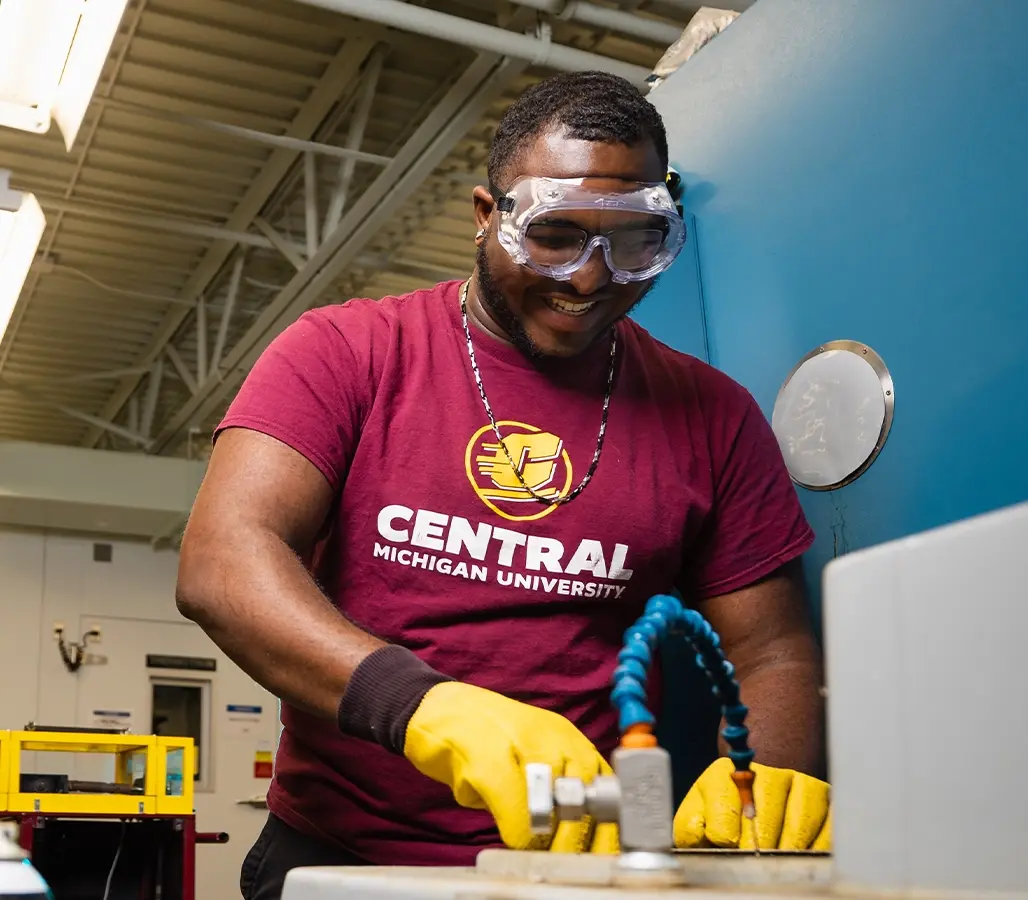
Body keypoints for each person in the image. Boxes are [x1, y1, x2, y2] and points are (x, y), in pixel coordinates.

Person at [176, 70, 831, 900]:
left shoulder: (713, 416)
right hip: (341, 860)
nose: (591, 278)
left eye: (632, 241)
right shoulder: (346, 352)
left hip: (578, 871)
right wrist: (426, 707)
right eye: (555, 235)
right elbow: (222, 562)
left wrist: (758, 777)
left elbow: (771, 650)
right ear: (489, 216)